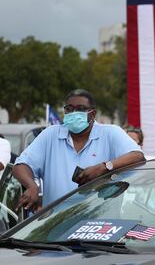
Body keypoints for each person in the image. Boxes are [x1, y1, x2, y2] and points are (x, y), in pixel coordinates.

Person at [13, 89, 145, 211]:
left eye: (80, 109)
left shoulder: (110, 133)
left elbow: (137, 156)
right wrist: (31, 186)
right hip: (54, 226)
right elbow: (21, 165)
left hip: (100, 225)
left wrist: (105, 167)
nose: (73, 113)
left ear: (92, 113)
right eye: (69, 109)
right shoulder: (50, 135)